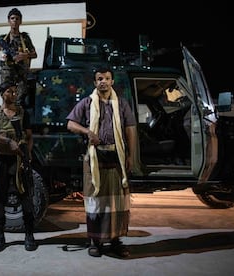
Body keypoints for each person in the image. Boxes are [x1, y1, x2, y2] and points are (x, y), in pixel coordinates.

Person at [66, 67, 137, 258]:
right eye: (99, 79)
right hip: (94, 159)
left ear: (112, 81)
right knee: (95, 202)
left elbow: (130, 130)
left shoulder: (121, 104)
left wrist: (130, 156)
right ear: (95, 82)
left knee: (116, 202)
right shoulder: (87, 103)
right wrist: (87, 132)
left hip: (117, 159)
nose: (103, 81)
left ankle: (115, 241)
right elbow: (70, 124)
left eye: (107, 78)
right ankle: (95, 242)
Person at [0, 81, 37, 252]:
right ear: (2, 94)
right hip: (2, 160)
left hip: (19, 161)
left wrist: (27, 154)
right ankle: (0, 236)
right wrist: (7, 141)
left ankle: (29, 236)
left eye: (15, 92)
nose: (13, 95)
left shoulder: (22, 113)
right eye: (9, 91)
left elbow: (29, 136)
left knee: (26, 197)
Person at [0, 8, 37, 107]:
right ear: (8, 21)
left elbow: (34, 54)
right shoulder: (3, 39)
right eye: (12, 18)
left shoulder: (25, 38)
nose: (14, 20)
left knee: (20, 100)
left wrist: (24, 55)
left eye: (17, 18)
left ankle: (17, 121)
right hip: (7, 73)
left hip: (21, 74)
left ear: (20, 21)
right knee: (6, 99)